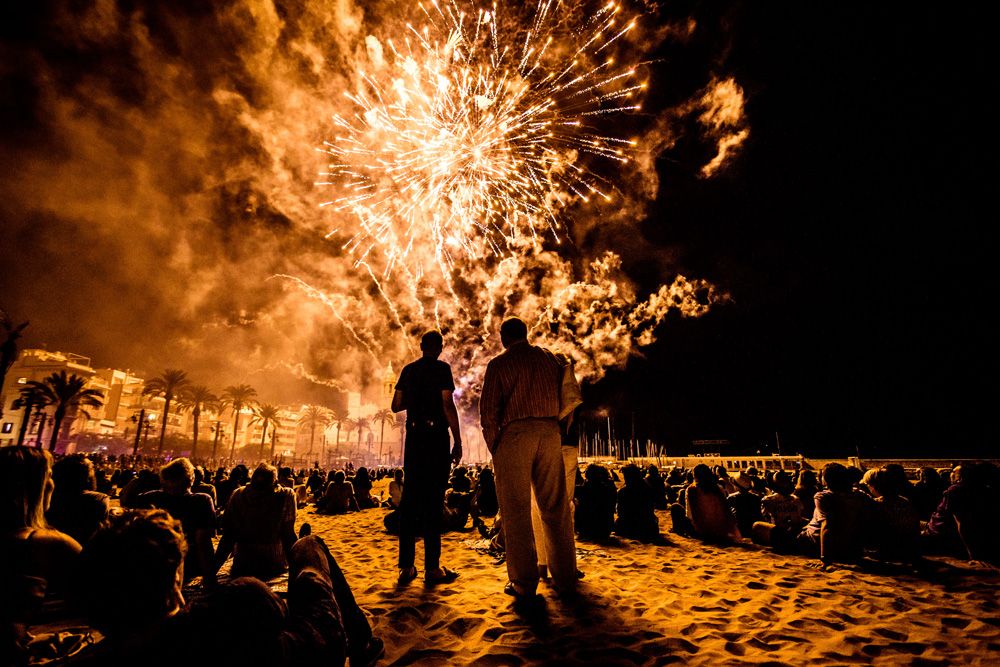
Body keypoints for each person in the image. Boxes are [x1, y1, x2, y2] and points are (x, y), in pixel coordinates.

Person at [72, 509, 384, 667]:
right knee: (308, 546)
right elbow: (271, 612)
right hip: (313, 648)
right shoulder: (225, 611)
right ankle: (361, 642)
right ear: (174, 581)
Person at [480, 317, 577, 600]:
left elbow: (488, 411)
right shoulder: (550, 359)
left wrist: (494, 445)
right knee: (556, 507)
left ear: (504, 337)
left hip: (516, 434)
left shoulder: (498, 364)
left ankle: (524, 582)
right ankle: (565, 577)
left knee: (516, 511)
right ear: (525, 334)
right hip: (549, 432)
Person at [391, 330, 463, 585]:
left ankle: (406, 567)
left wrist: (415, 396)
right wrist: (457, 439)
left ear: (421, 346)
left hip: (414, 438)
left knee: (410, 502)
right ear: (440, 348)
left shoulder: (409, 370)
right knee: (433, 501)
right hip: (435, 439)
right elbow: (447, 404)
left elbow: (396, 405)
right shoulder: (443, 369)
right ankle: (432, 568)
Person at [1, 447, 82, 666]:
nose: (52, 484)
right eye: (49, 475)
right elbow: (109, 600)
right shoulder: (45, 543)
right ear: (34, 486)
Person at [138, 457, 217, 587]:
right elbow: (203, 542)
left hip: (151, 563)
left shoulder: (148, 498)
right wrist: (210, 579)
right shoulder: (201, 501)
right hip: (187, 565)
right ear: (191, 479)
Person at [215, 463, 297, 580]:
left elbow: (228, 537)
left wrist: (212, 572)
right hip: (273, 564)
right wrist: (296, 566)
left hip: (243, 564)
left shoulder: (238, 494)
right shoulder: (286, 495)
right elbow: (288, 535)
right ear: (275, 483)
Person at [797, 462, 873, 564]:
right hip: (850, 547)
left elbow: (827, 525)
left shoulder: (823, 496)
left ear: (827, 479)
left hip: (816, 543)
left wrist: (825, 558)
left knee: (775, 531)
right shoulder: (861, 495)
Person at [46, 454, 110, 545]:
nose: (94, 471)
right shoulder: (98, 499)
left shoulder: (49, 495)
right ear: (85, 475)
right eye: (92, 468)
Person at [614, 463, 660, 541]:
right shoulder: (647, 488)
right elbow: (650, 509)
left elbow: (620, 512)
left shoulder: (623, 492)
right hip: (647, 527)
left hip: (629, 526)